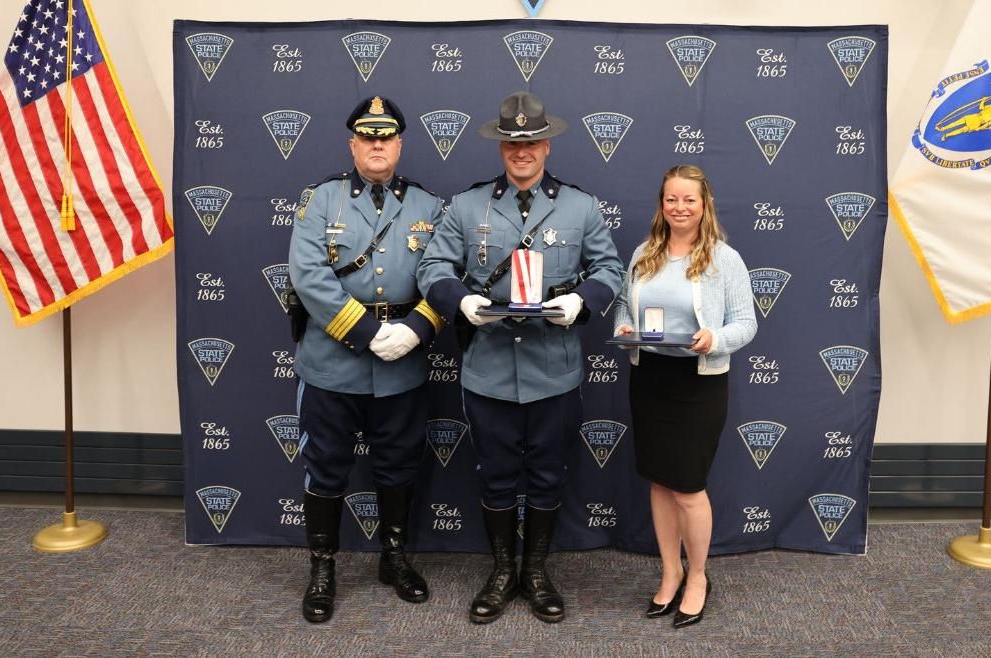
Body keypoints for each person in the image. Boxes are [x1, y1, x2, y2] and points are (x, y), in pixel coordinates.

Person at [417, 91, 624, 624]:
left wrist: (581, 302)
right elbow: (432, 267)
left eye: (531, 141)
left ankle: (536, 571)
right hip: (487, 370)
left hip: (553, 370)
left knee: (549, 476)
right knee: (496, 475)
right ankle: (503, 569)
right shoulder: (468, 206)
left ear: (547, 145)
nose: (522, 150)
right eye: (513, 142)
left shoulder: (580, 206)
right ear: (501, 146)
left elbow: (610, 271)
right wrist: (460, 302)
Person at [288, 95, 446, 623]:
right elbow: (308, 276)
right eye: (368, 138)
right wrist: (365, 331)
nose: (378, 146)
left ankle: (394, 558)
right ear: (353, 144)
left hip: (402, 361)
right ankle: (322, 567)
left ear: (399, 145)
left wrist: (415, 330)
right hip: (334, 361)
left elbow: (445, 276)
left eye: (387, 138)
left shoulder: (428, 206)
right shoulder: (320, 201)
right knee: (326, 467)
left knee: (398, 464)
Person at [612, 164, 757, 628]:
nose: (680, 208)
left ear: (704, 204)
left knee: (689, 487)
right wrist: (623, 327)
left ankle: (698, 576)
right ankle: (670, 573)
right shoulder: (643, 252)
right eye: (671, 199)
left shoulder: (723, 259)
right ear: (661, 204)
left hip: (698, 382)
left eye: (689, 200)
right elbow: (621, 305)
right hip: (650, 377)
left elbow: (747, 323)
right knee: (659, 481)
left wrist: (715, 338)